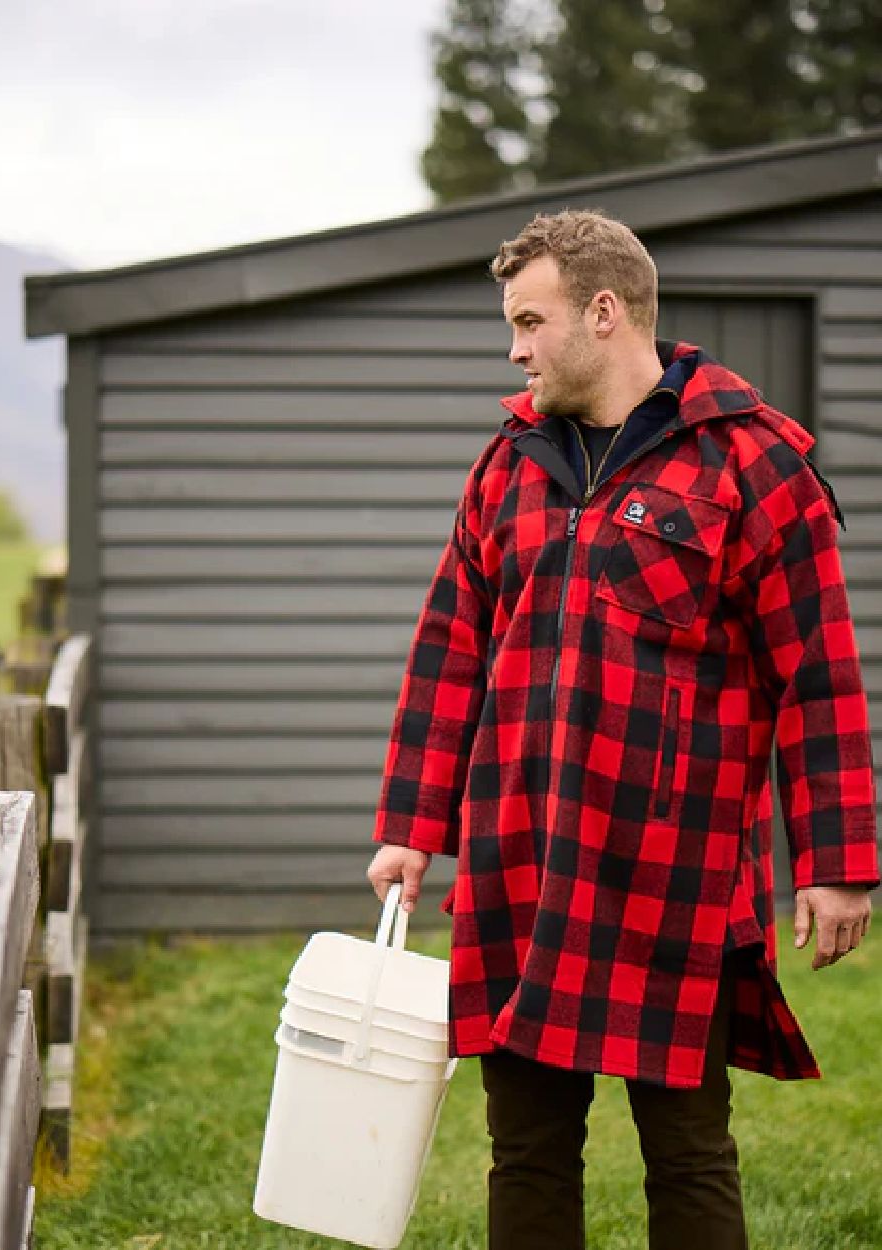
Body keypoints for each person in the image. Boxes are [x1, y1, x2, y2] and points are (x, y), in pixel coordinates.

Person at [366, 210, 879, 1250]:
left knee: (686, 1154)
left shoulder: (752, 465)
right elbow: (448, 652)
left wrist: (836, 865)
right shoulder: (507, 464)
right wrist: (411, 827)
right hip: (520, 860)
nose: (514, 351)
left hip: (673, 876)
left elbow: (817, 677)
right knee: (525, 1150)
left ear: (603, 312)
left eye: (529, 322)